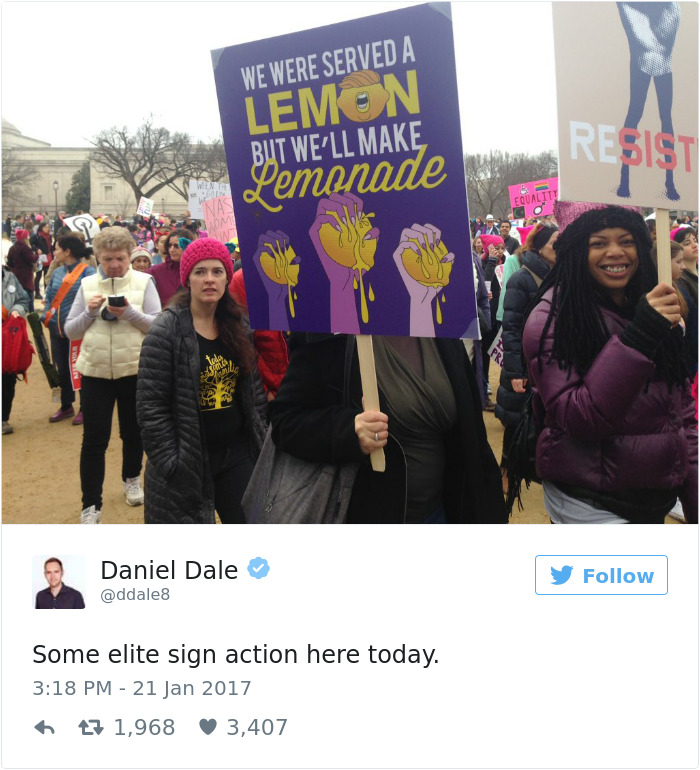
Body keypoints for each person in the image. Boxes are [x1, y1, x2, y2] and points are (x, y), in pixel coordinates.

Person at [522, 202, 697, 524]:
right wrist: (640, 336)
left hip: (653, 498)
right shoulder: (550, 319)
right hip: (590, 504)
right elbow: (579, 418)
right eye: (598, 243)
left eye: (627, 241)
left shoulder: (655, 304)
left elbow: (681, 414)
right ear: (575, 252)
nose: (616, 252)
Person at [269, 328, 506, 524]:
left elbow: (472, 432)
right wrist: (348, 430)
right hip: (369, 518)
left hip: (442, 511)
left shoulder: (437, 321)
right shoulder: (330, 333)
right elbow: (286, 420)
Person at [137, 238, 268, 524]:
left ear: (226, 277)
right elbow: (151, 407)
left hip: (236, 455)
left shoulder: (239, 325)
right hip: (187, 459)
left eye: (217, 271)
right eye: (200, 272)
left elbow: (253, 391)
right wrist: (172, 463)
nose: (209, 279)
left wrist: (257, 437)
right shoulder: (165, 330)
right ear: (187, 279)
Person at [64, 227, 161, 524]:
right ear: (98, 257)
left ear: (130, 255)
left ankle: (132, 478)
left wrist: (130, 314)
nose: (115, 264)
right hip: (95, 372)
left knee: (133, 432)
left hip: (134, 370)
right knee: (94, 439)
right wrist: (89, 313)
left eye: (120, 258)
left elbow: (157, 326)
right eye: (107, 259)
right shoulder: (86, 284)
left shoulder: (145, 282)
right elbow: (70, 330)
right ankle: (90, 504)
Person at [496, 224, 559, 492]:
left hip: (549, 366)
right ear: (539, 247)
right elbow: (510, 330)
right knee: (517, 421)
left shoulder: (560, 276)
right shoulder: (521, 279)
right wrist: (515, 372)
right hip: (522, 367)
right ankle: (506, 470)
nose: (560, 248)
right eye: (555, 243)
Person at [41, 235, 96, 425]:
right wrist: (46, 315)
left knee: (80, 370)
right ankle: (66, 406)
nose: (54, 252)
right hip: (57, 331)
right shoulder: (56, 273)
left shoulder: (88, 273)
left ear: (67, 252)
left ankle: (86, 408)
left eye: (56, 249)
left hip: (78, 332)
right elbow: (49, 297)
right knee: (63, 370)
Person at [2, 267, 30, 434]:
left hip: (8, 337)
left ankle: (3, 419)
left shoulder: (10, 277)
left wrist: (15, 311)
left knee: (7, 380)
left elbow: (23, 300)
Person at [147, 228, 194, 307]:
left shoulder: (196, 271)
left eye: (176, 246)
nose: (172, 250)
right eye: (169, 245)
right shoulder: (155, 272)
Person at [6, 229, 37, 312]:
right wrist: (36, 256)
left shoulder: (12, 248)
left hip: (16, 274)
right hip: (26, 275)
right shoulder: (25, 248)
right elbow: (31, 259)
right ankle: (31, 312)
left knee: (18, 294)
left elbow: (9, 262)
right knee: (29, 293)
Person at [30, 221, 53, 300]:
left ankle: (46, 293)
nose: (47, 229)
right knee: (38, 275)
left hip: (48, 257)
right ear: (41, 228)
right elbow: (31, 245)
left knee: (47, 275)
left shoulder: (49, 236)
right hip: (39, 258)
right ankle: (37, 293)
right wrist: (36, 249)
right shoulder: (36, 236)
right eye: (45, 227)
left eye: (48, 227)